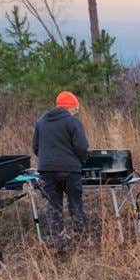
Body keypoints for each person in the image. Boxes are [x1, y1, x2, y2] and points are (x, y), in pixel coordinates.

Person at [33, 91, 90, 242]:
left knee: (53, 207)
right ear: (69, 107)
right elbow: (82, 147)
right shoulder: (73, 122)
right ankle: (82, 240)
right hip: (70, 170)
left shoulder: (41, 121)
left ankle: (57, 241)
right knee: (75, 205)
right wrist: (81, 161)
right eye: (75, 109)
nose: (75, 112)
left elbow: (36, 147)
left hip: (46, 171)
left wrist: (48, 162)